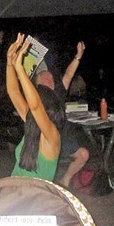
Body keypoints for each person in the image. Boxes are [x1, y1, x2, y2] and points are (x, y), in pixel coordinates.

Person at [7, 33, 66, 181]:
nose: (30, 101)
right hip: (14, 191)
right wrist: (10, 63)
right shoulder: (32, 121)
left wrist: (20, 68)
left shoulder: (52, 136)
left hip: (37, 199)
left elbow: (35, 107)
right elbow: (13, 92)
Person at [36, 41, 90, 187]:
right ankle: (43, 186)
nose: (50, 81)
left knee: (83, 154)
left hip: (62, 138)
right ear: (38, 84)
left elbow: (68, 74)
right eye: (46, 79)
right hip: (42, 140)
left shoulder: (58, 92)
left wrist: (78, 56)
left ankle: (64, 181)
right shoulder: (36, 98)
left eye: (51, 78)